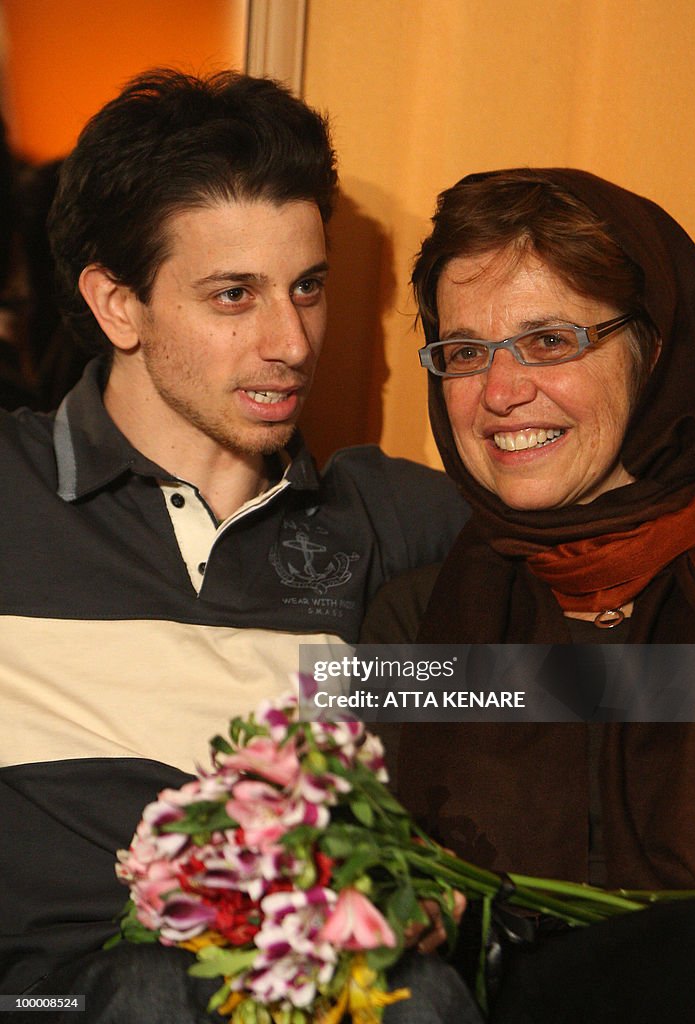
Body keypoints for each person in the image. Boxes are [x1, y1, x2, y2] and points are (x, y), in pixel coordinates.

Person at [0, 70, 477, 1021]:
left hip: (314, 990)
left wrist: (460, 867)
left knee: (414, 992)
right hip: (56, 999)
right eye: (233, 296)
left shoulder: (384, 520)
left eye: (307, 288)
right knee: (147, 989)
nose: (290, 341)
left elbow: (616, 683)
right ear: (117, 305)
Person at [362, 168, 695, 1022]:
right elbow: (360, 897)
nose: (499, 392)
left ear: (656, 349)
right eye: (465, 352)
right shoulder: (410, 623)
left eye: (549, 341)